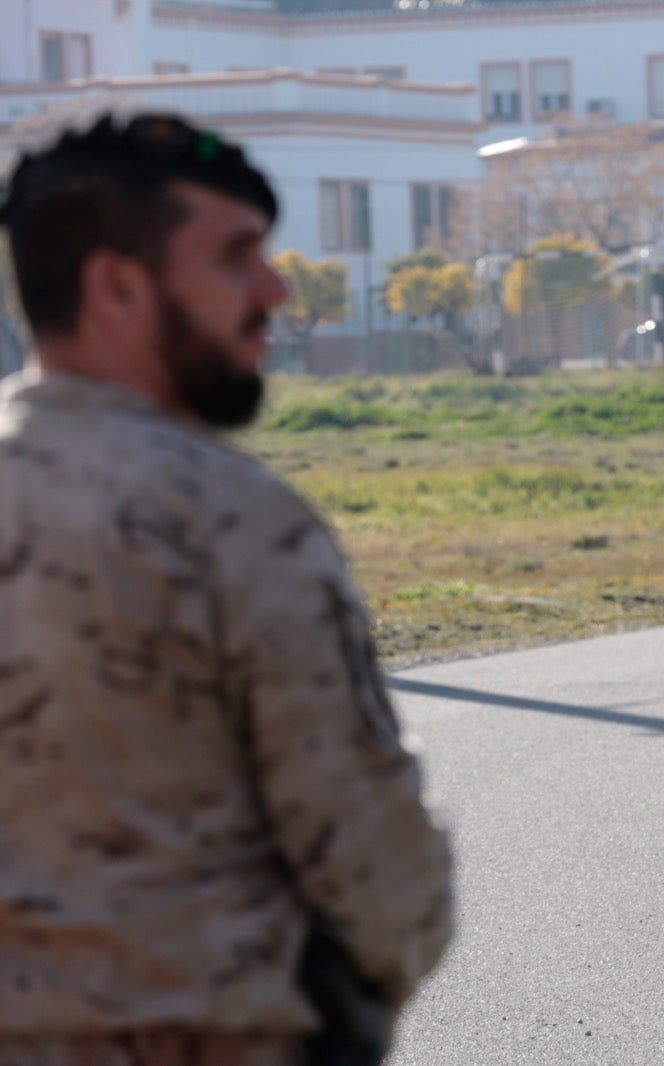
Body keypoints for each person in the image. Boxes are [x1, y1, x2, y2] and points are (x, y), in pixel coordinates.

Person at [0, 111, 453, 1064]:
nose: (275, 288)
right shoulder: (231, 521)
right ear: (116, 286)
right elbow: (377, 872)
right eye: (236, 257)